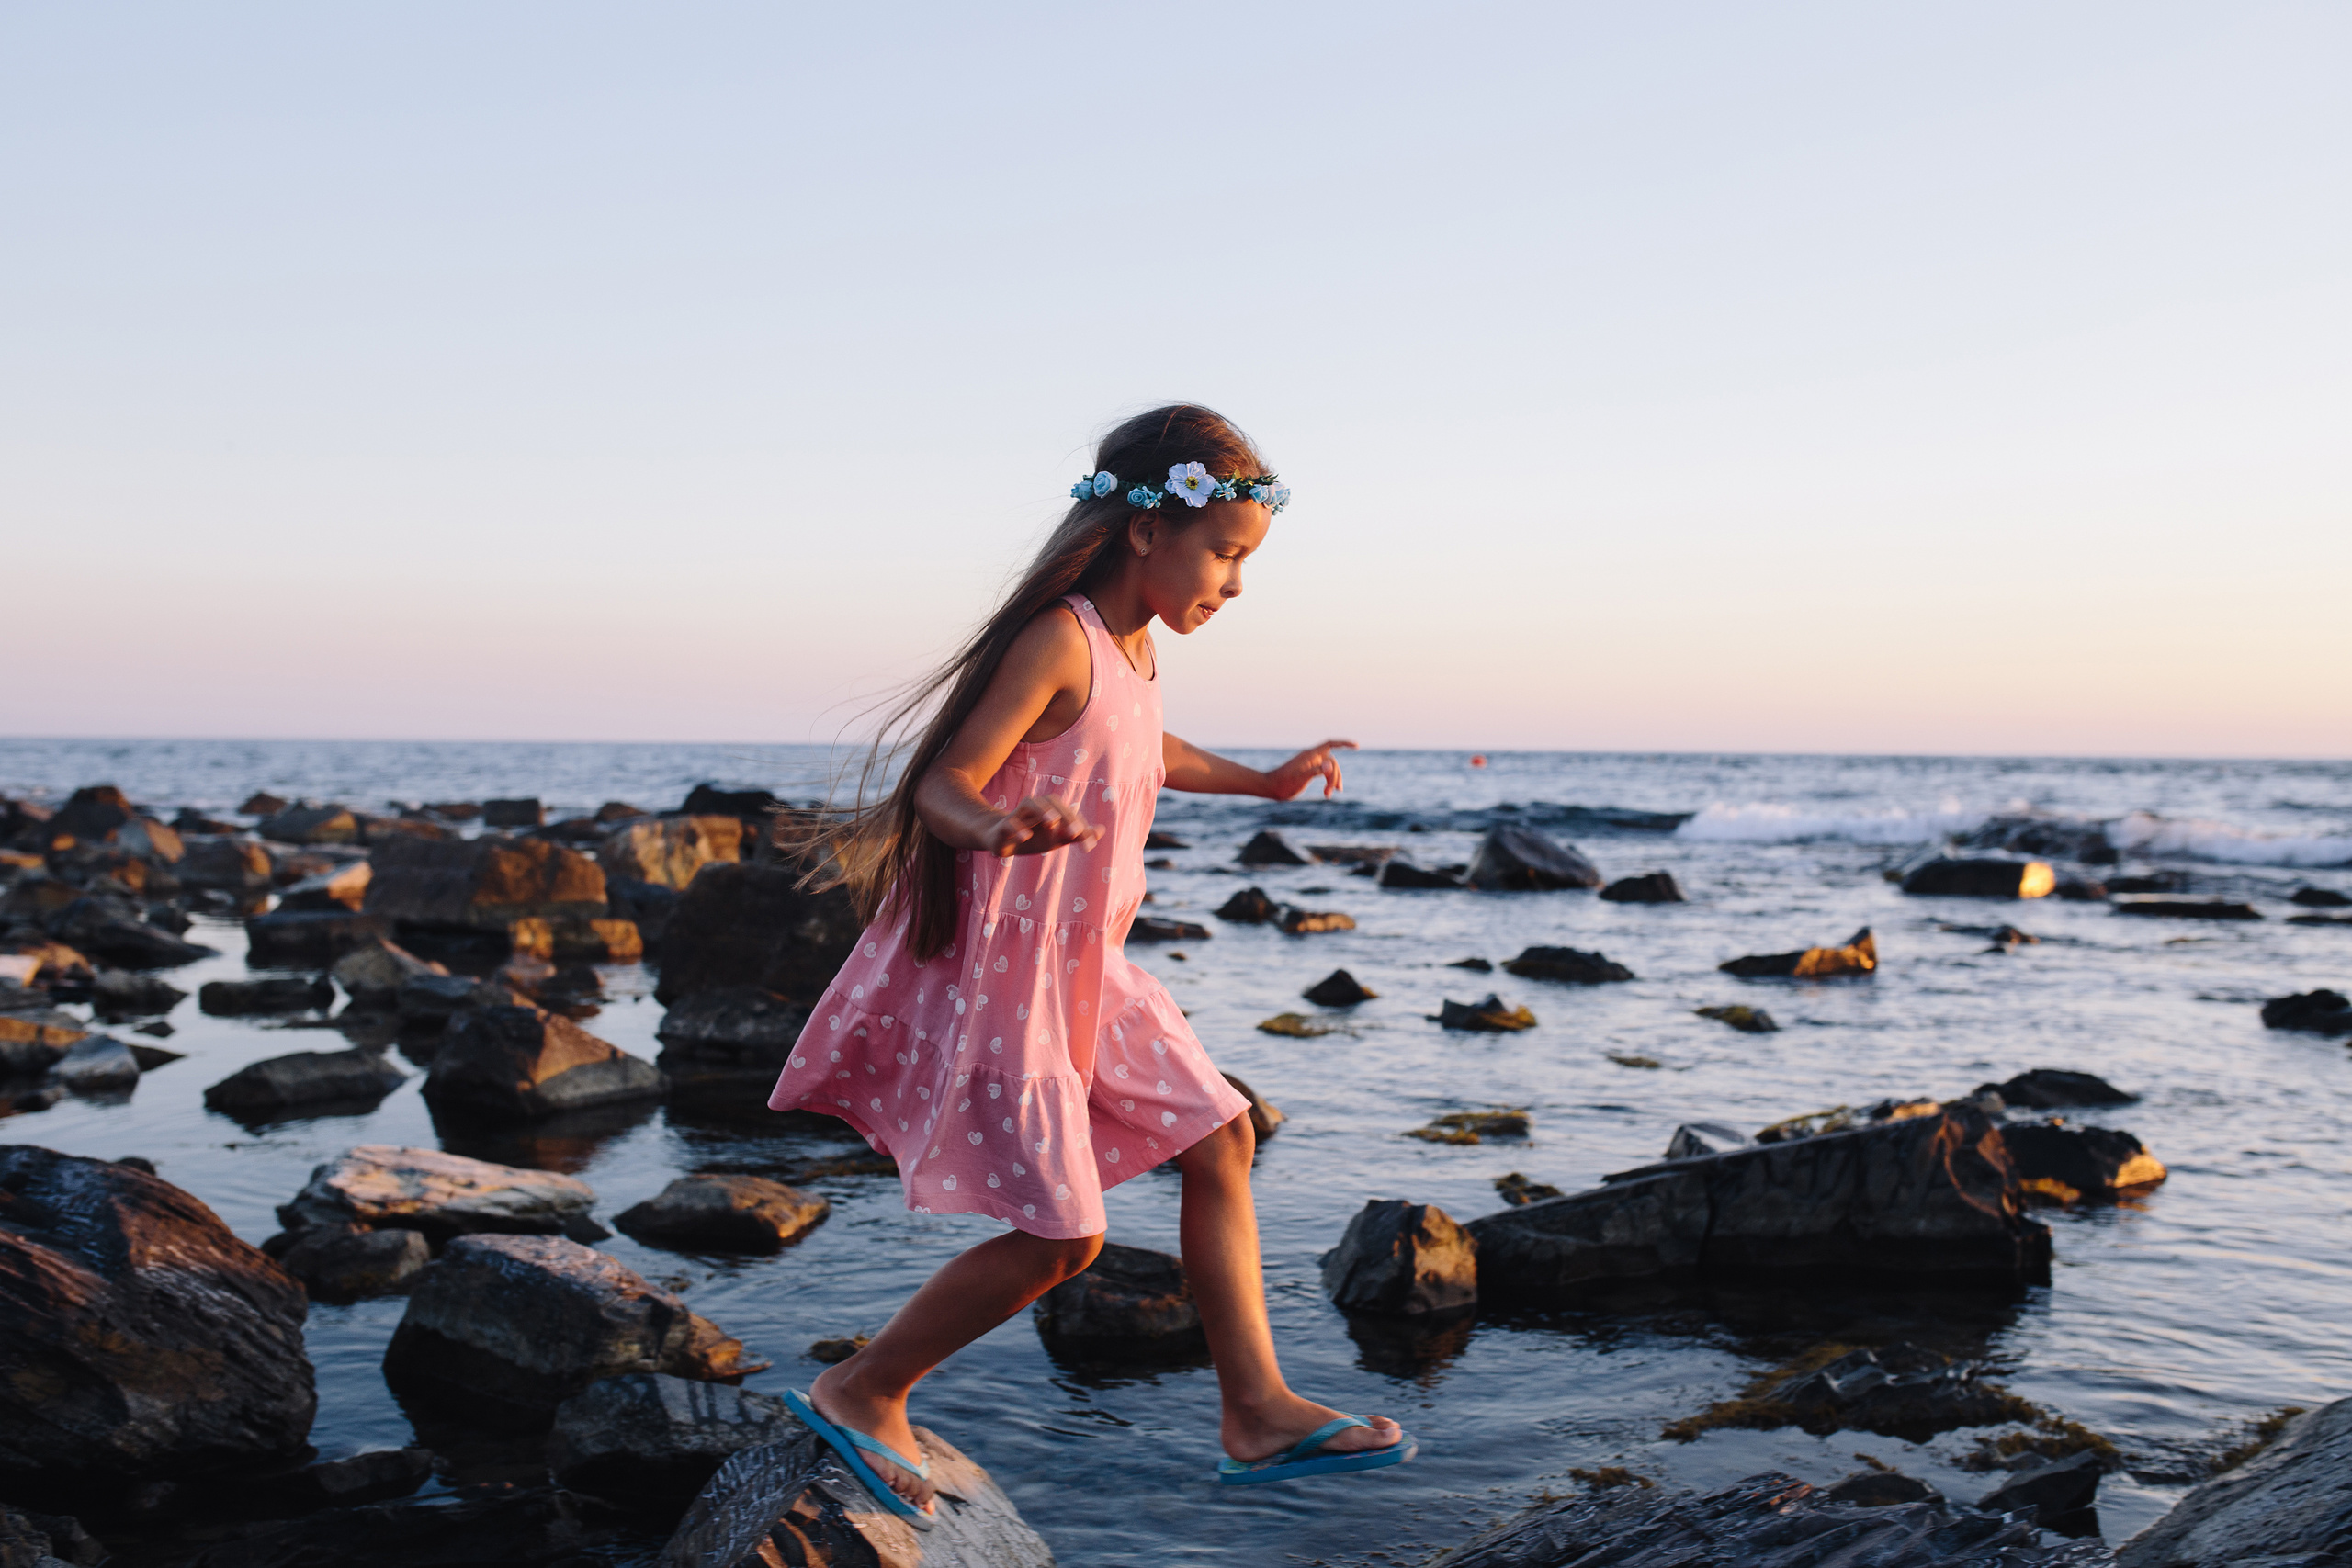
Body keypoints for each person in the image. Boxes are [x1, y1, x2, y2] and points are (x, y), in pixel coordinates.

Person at [768, 404, 1413, 1525]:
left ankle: (1254, 1411)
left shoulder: (1129, 648)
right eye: (1227, 555)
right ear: (1143, 534)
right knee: (1065, 1239)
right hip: (1018, 980)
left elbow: (1141, 742)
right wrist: (989, 829)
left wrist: (1260, 783)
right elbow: (946, 780)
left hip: (1093, 972)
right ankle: (860, 1388)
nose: (1236, 584)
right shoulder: (1056, 637)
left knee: (1222, 1137)